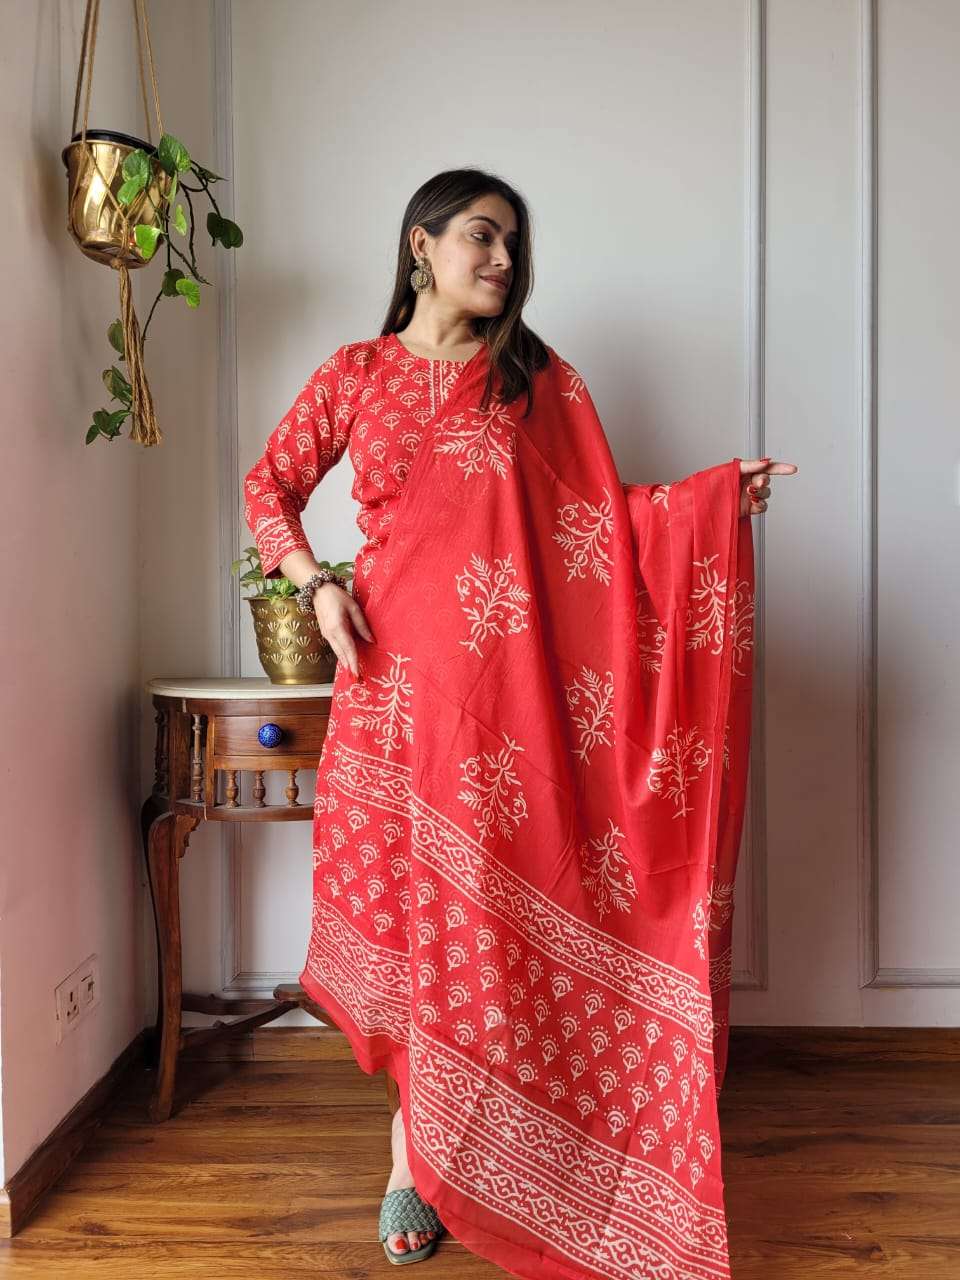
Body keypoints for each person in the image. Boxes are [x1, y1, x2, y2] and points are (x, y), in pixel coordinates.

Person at [243, 167, 796, 1276]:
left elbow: (603, 523)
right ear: (422, 244)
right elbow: (269, 486)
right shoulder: (356, 374)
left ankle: (501, 1153)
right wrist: (317, 585)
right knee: (412, 927)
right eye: (482, 237)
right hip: (389, 694)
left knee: (485, 923)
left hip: (505, 714)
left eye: (513, 245)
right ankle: (410, 1158)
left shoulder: (536, 382)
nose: (503, 260)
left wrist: (705, 502)